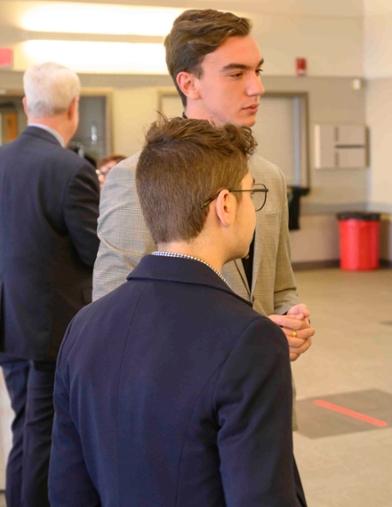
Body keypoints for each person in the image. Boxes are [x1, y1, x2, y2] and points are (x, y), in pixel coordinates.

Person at [49, 117, 305, 506]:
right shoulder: (249, 339)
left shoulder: (84, 326)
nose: (253, 209)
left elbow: (68, 488)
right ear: (225, 206)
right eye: (251, 195)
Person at [92, 10, 314, 428]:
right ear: (188, 82)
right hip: (178, 411)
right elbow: (110, 313)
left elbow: (280, 285)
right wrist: (235, 339)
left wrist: (291, 319)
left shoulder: (266, 177)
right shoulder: (134, 178)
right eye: (236, 73)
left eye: (258, 71)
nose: (257, 87)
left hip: (262, 403)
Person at [0, 62, 99, 507]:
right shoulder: (70, 169)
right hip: (50, 329)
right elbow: (95, 253)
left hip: (9, 322)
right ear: (73, 107)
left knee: (26, 427)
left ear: (26, 106)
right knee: (43, 434)